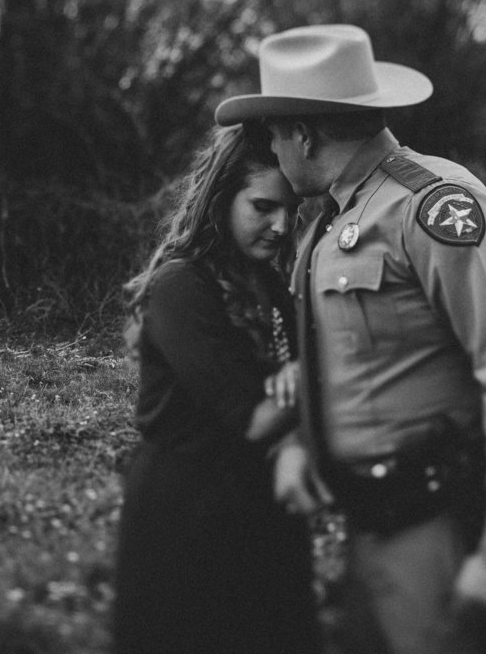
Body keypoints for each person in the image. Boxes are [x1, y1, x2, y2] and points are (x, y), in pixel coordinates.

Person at [215, 24, 486, 654]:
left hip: (446, 533)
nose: (272, 146)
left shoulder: (431, 208)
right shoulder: (330, 218)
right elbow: (334, 361)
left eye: (274, 132)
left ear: (304, 133)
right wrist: (298, 440)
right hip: (370, 528)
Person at [112, 123, 321, 654]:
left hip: (262, 507)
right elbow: (252, 418)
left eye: (291, 210)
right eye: (263, 206)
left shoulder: (272, 285)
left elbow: (287, 407)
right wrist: (323, 373)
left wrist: (297, 424)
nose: (280, 225)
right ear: (220, 199)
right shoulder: (182, 286)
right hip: (188, 514)